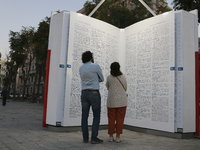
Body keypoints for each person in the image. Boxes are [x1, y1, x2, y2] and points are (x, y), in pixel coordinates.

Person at [79, 51, 104, 144]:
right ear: (91, 58)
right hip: (94, 93)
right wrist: (96, 79)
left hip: (84, 93)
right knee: (96, 116)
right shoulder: (95, 66)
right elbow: (102, 78)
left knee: (84, 116)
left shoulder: (81, 68)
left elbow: (83, 79)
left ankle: (85, 138)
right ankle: (94, 137)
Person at [106, 62, 127, 143]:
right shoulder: (123, 77)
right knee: (120, 119)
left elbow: (107, 87)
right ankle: (118, 137)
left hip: (111, 101)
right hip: (122, 101)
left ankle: (111, 136)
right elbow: (125, 87)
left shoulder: (109, 78)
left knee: (111, 119)